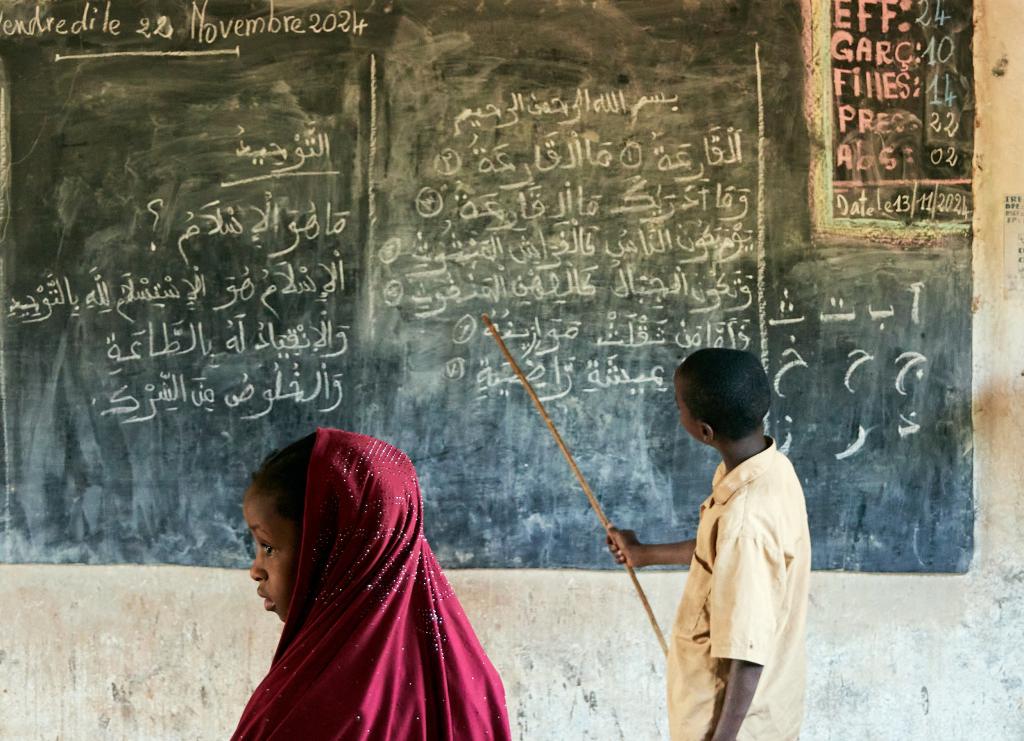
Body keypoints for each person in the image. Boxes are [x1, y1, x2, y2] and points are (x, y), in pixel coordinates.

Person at [234, 428, 511, 740]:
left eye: (268, 547)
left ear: (331, 549)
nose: (256, 570)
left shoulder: (313, 707)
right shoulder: (476, 684)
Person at [607, 349, 811, 741]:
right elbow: (723, 555)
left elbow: (748, 653)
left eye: (678, 406)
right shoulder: (769, 468)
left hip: (730, 723)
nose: (676, 411)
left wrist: (723, 738)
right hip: (765, 711)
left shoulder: (746, 518)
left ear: (704, 431)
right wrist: (643, 554)